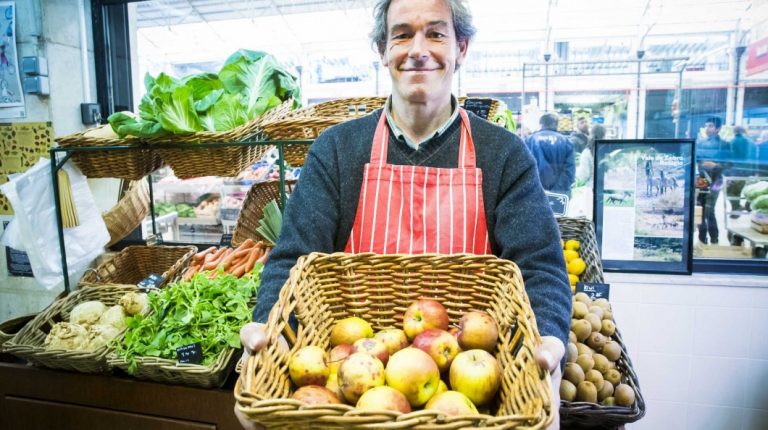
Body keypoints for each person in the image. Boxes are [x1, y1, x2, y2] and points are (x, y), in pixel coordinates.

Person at [237, 0, 571, 428]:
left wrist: (548, 342)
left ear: (461, 49)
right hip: (356, 395)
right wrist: (270, 330)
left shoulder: (503, 154)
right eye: (402, 34)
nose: (418, 49)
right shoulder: (337, 150)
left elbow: (539, 266)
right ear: (383, 50)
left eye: (435, 33)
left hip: (469, 398)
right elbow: (294, 259)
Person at [695, 116, 730, 244]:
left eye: (710, 126)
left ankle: (714, 238)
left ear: (718, 129)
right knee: (700, 208)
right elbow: (696, 160)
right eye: (706, 126)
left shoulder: (725, 145)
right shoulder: (700, 143)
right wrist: (701, 164)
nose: (707, 128)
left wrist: (716, 165)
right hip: (702, 179)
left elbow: (730, 164)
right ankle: (702, 238)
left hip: (717, 180)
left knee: (709, 209)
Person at [525, 112, 576, 197]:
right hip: (560, 195)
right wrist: (556, 191)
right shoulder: (566, 142)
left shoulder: (528, 140)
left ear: (541, 124)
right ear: (556, 124)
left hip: (534, 193)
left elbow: (523, 168)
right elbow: (569, 171)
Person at [576, 123, 605, 187]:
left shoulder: (587, 152)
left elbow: (583, 175)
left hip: (592, 187)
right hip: (605, 186)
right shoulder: (606, 151)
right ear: (604, 136)